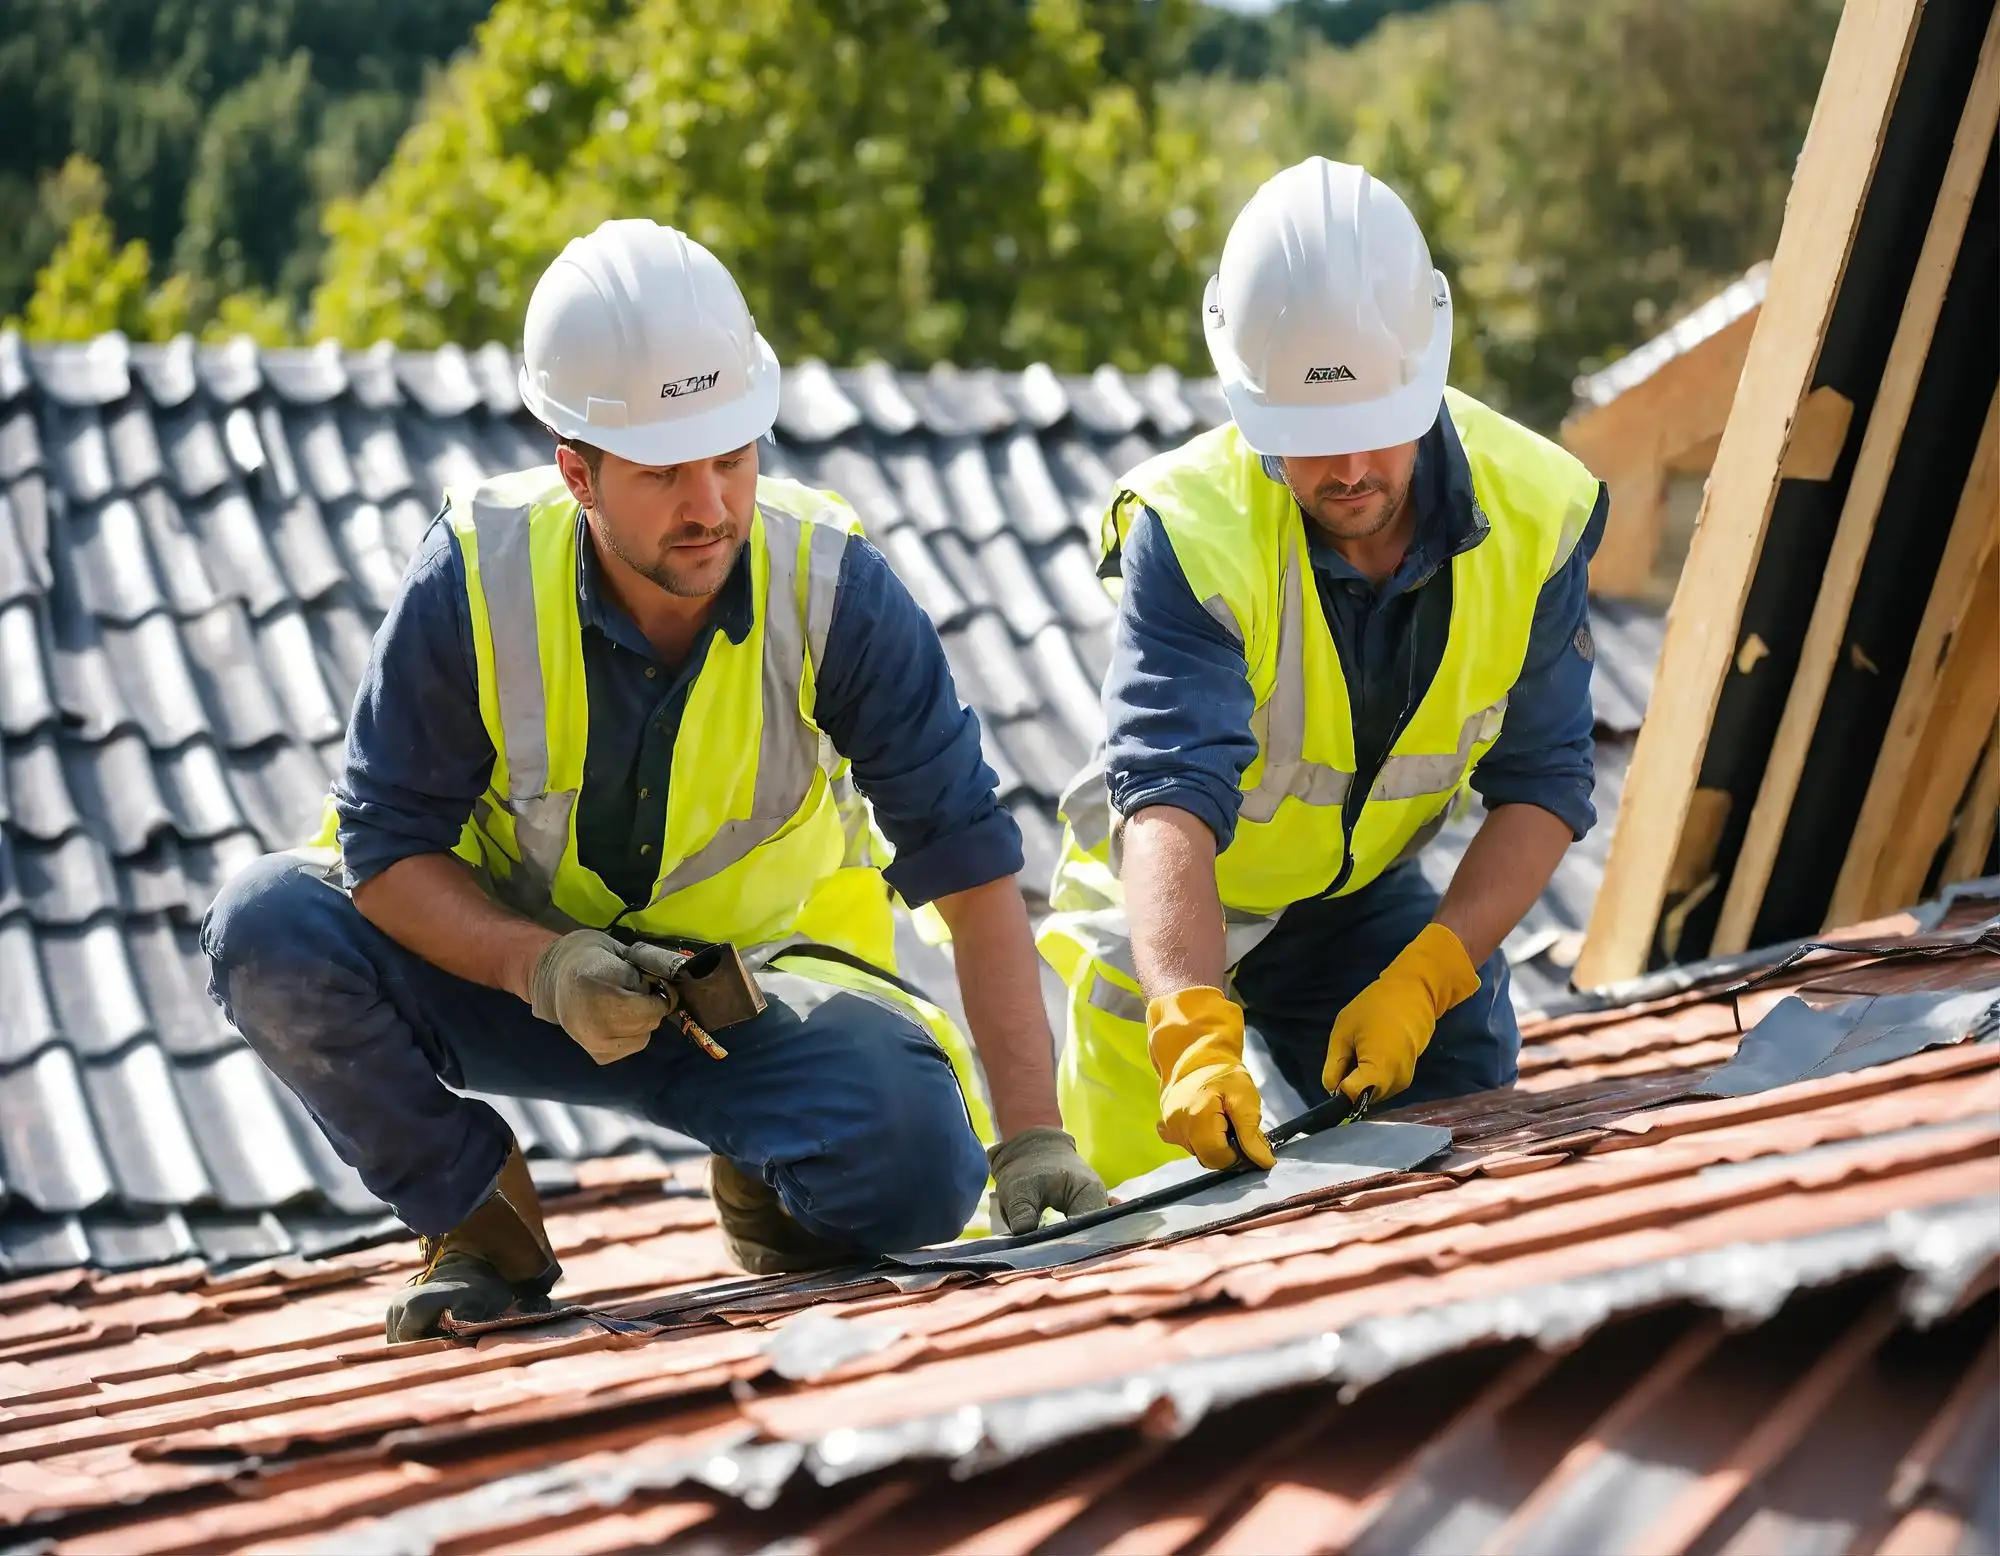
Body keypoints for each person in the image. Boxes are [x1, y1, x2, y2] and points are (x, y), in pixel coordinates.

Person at [201, 219, 1106, 1340]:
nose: (712, 504)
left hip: (755, 1011)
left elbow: (972, 870)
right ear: (574, 468)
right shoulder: (473, 577)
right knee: (268, 930)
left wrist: (1029, 1134)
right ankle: (478, 1222)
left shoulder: (836, 589)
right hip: (508, 978)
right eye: (666, 471)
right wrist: (540, 963)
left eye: (732, 456)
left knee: (921, 1165)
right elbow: (384, 853)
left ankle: (770, 1184)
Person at [1038, 158, 1608, 1191]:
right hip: (1169, 923)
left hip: (1354, 903)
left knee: (1454, 1130)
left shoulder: (1539, 507)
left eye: (1370, 432)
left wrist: (1428, 977)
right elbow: (1167, 789)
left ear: (1427, 376)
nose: (1346, 471)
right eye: (1307, 442)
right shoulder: (1192, 526)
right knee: (1139, 1234)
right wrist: (1188, 1024)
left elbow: (1543, 784)